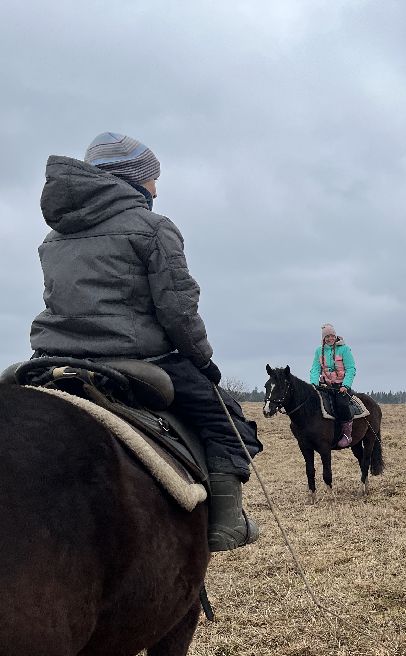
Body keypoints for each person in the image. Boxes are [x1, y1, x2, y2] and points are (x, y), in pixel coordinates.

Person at [29, 132, 263, 553]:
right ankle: (226, 525)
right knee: (226, 422)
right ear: (133, 181)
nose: (157, 188)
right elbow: (178, 309)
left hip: (52, 356)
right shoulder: (153, 228)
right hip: (138, 356)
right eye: (153, 179)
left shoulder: (53, 238)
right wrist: (202, 361)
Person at [310, 323, 358, 448]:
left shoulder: (345, 349)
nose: (330, 339)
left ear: (335, 336)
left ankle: (347, 434)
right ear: (323, 338)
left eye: (332, 336)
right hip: (325, 385)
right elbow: (315, 369)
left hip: (341, 386)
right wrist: (314, 384)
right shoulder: (318, 351)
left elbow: (351, 369)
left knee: (342, 404)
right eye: (327, 336)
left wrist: (346, 385)